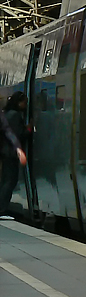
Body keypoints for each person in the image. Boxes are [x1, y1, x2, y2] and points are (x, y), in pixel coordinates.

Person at [0, 91, 29, 219]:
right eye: (24, 102)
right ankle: (2, 209)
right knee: (10, 180)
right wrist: (29, 129)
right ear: (18, 102)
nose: (25, 105)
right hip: (10, 153)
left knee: (6, 179)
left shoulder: (6, 113)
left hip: (5, 152)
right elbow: (17, 134)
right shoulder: (15, 115)